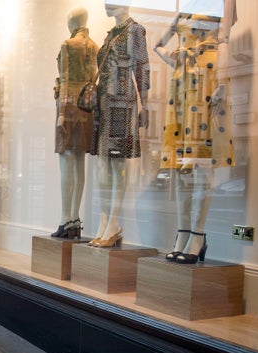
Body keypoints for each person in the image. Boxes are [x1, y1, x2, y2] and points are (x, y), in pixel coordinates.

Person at [154, 0, 237, 264]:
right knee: (180, 165)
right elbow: (158, 44)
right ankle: (182, 232)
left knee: (202, 162)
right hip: (181, 81)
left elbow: (224, 40)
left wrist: (222, 83)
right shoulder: (185, 6)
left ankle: (198, 235)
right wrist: (175, 59)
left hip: (207, 77)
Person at [89, 2, 150, 248]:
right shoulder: (110, 34)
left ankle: (114, 222)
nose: (106, 3)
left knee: (116, 164)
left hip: (122, 104)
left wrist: (145, 103)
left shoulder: (135, 31)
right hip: (104, 105)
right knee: (103, 166)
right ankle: (104, 222)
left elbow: (142, 68)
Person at [52, 6, 98, 239]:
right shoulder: (94, 46)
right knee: (79, 161)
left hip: (69, 107)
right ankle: (74, 218)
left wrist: (61, 113)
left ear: (72, 21)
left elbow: (67, 79)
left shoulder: (68, 45)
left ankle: (65, 218)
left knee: (66, 162)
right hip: (87, 109)